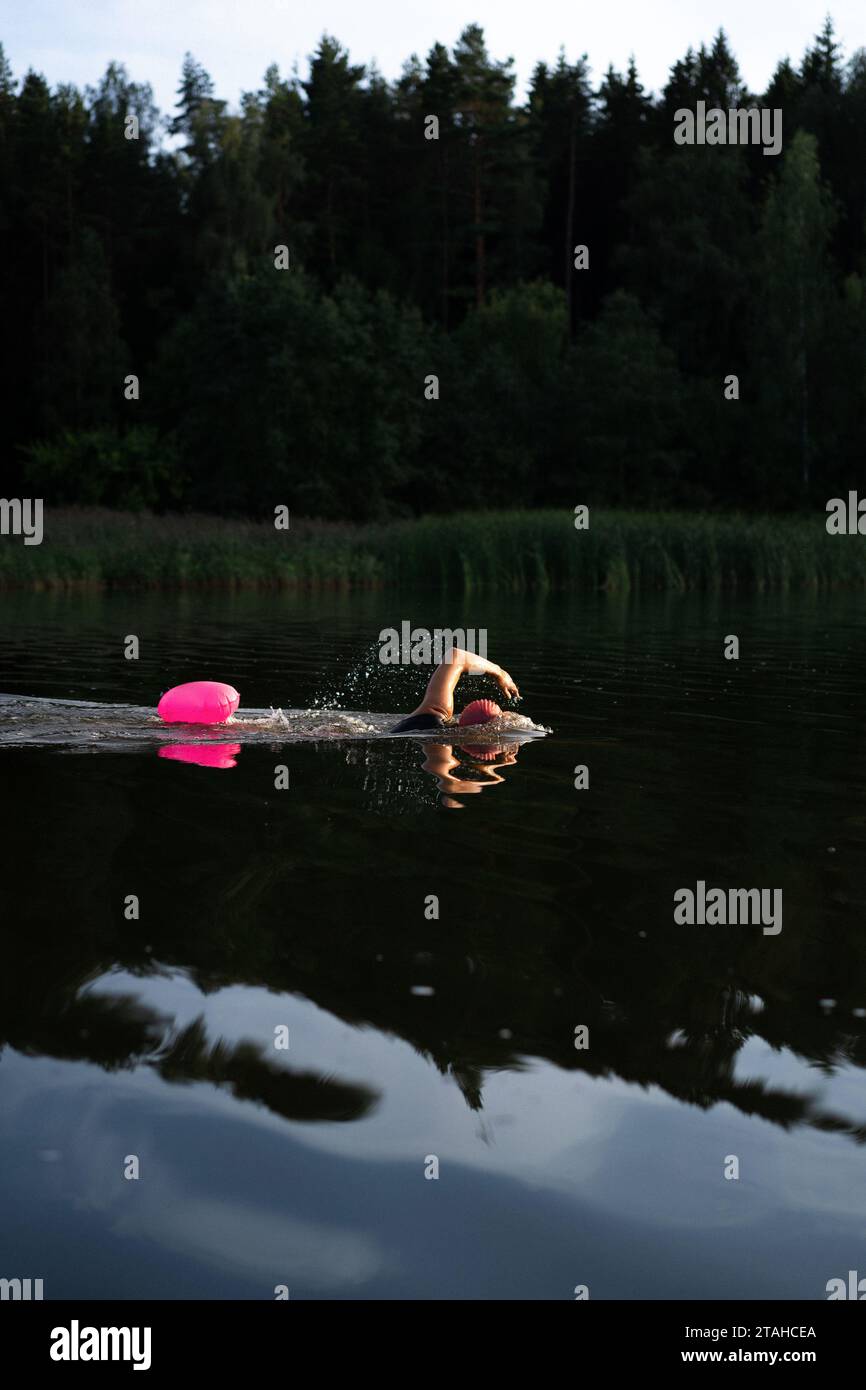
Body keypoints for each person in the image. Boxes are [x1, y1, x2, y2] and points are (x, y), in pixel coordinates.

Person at [391, 648, 520, 733]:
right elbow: (455, 655)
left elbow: (456, 656)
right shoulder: (437, 724)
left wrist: (499, 672)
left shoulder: (435, 713)